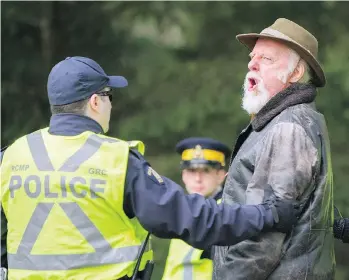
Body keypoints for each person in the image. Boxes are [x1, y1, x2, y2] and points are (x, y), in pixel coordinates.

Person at [0, 56, 301, 280]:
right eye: (109, 96)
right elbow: (193, 219)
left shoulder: (11, 157)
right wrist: (269, 214)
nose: (111, 105)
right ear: (94, 101)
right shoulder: (115, 160)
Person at [213, 18, 335, 280]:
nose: (251, 64)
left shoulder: (287, 128)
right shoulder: (286, 121)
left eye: (266, 59)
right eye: (252, 56)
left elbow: (263, 238)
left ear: (295, 74)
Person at [162, 137, 230, 280]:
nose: (198, 178)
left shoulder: (227, 211)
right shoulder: (181, 209)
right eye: (192, 171)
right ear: (184, 175)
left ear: (221, 175)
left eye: (206, 170)